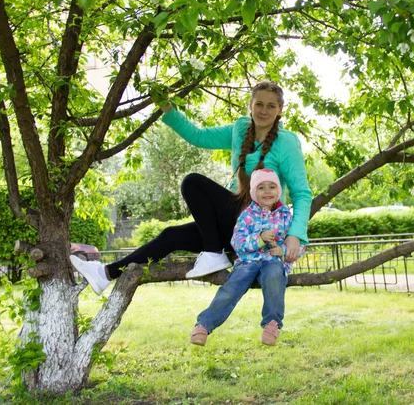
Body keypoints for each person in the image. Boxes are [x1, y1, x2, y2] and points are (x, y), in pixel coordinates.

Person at [70, 80, 312, 296]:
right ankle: (105, 274)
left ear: (280, 110)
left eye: (271, 106)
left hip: (254, 223)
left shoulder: (287, 142)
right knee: (171, 236)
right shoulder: (240, 128)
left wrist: (294, 236)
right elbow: (198, 136)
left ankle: (212, 252)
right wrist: (166, 106)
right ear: (250, 104)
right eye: (259, 103)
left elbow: (302, 193)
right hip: (234, 223)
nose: (264, 110)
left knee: (193, 182)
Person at [189, 168, 303, 347]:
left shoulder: (286, 216)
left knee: (274, 278)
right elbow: (237, 241)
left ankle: (272, 325)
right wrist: (258, 239)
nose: (267, 191)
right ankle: (204, 325)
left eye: (272, 187)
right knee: (231, 288)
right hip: (247, 262)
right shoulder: (247, 215)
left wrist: (282, 251)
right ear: (253, 192)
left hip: (273, 262)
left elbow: (299, 244)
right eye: (261, 187)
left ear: (279, 191)